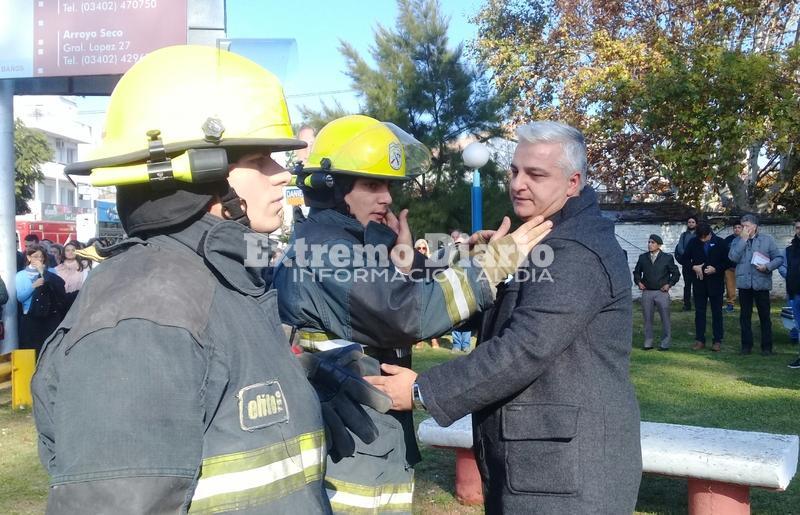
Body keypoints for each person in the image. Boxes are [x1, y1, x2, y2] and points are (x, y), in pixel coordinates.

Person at [31, 45, 386, 513]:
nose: (283, 176)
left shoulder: (221, 279)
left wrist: (291, 391)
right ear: (192, 174)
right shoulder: (144, 317)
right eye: (261, 159)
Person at [274, 114, 548, 513]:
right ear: (332, 189)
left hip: (368, 441)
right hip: (347, 452)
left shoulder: (348, 248)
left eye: (388, 185)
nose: (387, 197)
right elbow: (403, 312)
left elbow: (396, 288)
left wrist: (461, 255)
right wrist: (491, 266)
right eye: (372, 184)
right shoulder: (326, 252)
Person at [367, 121, 641, 514]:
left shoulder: (575, 250)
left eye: (536, 174)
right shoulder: (543, 237)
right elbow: (488, 315)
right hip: (543, 467)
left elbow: (523, 347)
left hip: (565, 476)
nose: (518, 184)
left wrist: (421, 391)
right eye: (515, 171)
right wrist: (420, 261)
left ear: (573, 181)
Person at [728, 214, 783, 355]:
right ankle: (746, 346)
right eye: (742, 226)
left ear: (755, 226)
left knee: (764, 316)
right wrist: (743, 240)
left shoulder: (767, 240)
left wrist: (768, 266)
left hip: (761, 282)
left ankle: (767, 347)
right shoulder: (737, 241)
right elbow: (732, 257)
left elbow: (779, 258)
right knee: (745, 316)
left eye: (746, 226)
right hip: (744, 284)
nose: (744, 229)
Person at [15, 244, 67, 356]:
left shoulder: (51, 272)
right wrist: (32, 286)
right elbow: (20, 297)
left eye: (41, 256)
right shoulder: (21, 275)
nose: (39, 259)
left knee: (49, 349)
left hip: (50, 315)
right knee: (31, 348)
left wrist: (43, 272)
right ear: (29, 258)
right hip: (30, 316)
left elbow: (59, 287)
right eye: (35, 256)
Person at [633, 234, 680, 350]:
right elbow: (636, 272)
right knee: (647, 319)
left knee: (665, 319)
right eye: (649, 242)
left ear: (659, 245)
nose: (649, 244)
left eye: (652, 242)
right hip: (647, 292)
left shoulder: (667, 258)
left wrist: (669, 285)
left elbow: (676, 273)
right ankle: (648, 343)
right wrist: (638, 282)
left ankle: (665, 343)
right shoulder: (643, 257)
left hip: (661, 293)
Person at [687, 222, 727, 352]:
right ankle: (700, 339)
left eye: (706, 237)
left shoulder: (720, 242)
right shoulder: (693, 242)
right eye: (701, 238)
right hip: (699, 283)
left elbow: (728, 261)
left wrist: (716, 269)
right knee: (699, 312)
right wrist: (693, 266)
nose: (703, 240)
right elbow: (684, 258)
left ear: (710, 233)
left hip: (715, 283)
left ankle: (717, 340)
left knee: (717, 312)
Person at [448, 231, 473, 352]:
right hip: (454, 291)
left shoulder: (470, 258)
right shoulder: (451, 258)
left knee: (467, 317)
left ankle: (466, 344)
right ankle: (457, 344)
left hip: (468, 292)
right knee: (456, 318)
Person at [413, 238, 440, 349]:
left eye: (424, 248)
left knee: (431, 314)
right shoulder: (411, 260)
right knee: (418, 316)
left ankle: (434, 340)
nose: (421, 250)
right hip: (415, 290)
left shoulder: (430, 260)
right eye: (419, 248)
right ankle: (419, 341)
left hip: (428, 289)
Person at [782, 221, 800, 369]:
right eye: (798, 228)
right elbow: (784, 267)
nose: (799, 230)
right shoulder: (790, 249)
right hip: (795, 293)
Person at [55, 240, 88, 310]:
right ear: (64, 252)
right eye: (67, 250)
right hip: (61, 301)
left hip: (78, 300)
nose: (70, 252)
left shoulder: (84, 267)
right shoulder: (57, 269)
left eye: (73, 250)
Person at [675, 216, 698, 311]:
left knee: (697, 285)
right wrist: (687, 257)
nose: (691, 224)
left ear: (696, 224)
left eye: (693, 222)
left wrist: (696, 256)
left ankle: (698, 304)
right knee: (687, 285)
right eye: (689, 222)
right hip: (687, 264)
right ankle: (687, 305)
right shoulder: (683, 235)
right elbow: (680, 248)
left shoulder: (699, 234)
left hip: (697, 264)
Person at [723, 222, 743, 312]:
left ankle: (745, 303)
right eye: (735, 227)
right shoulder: (728, 240)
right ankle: (730, 304)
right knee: (730, 287)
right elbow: (724, 254)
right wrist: (728, 265)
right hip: (730, 268)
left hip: (742, 267)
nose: (737, 229)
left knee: (744, 287)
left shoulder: (745, 239)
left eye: (739, 227)